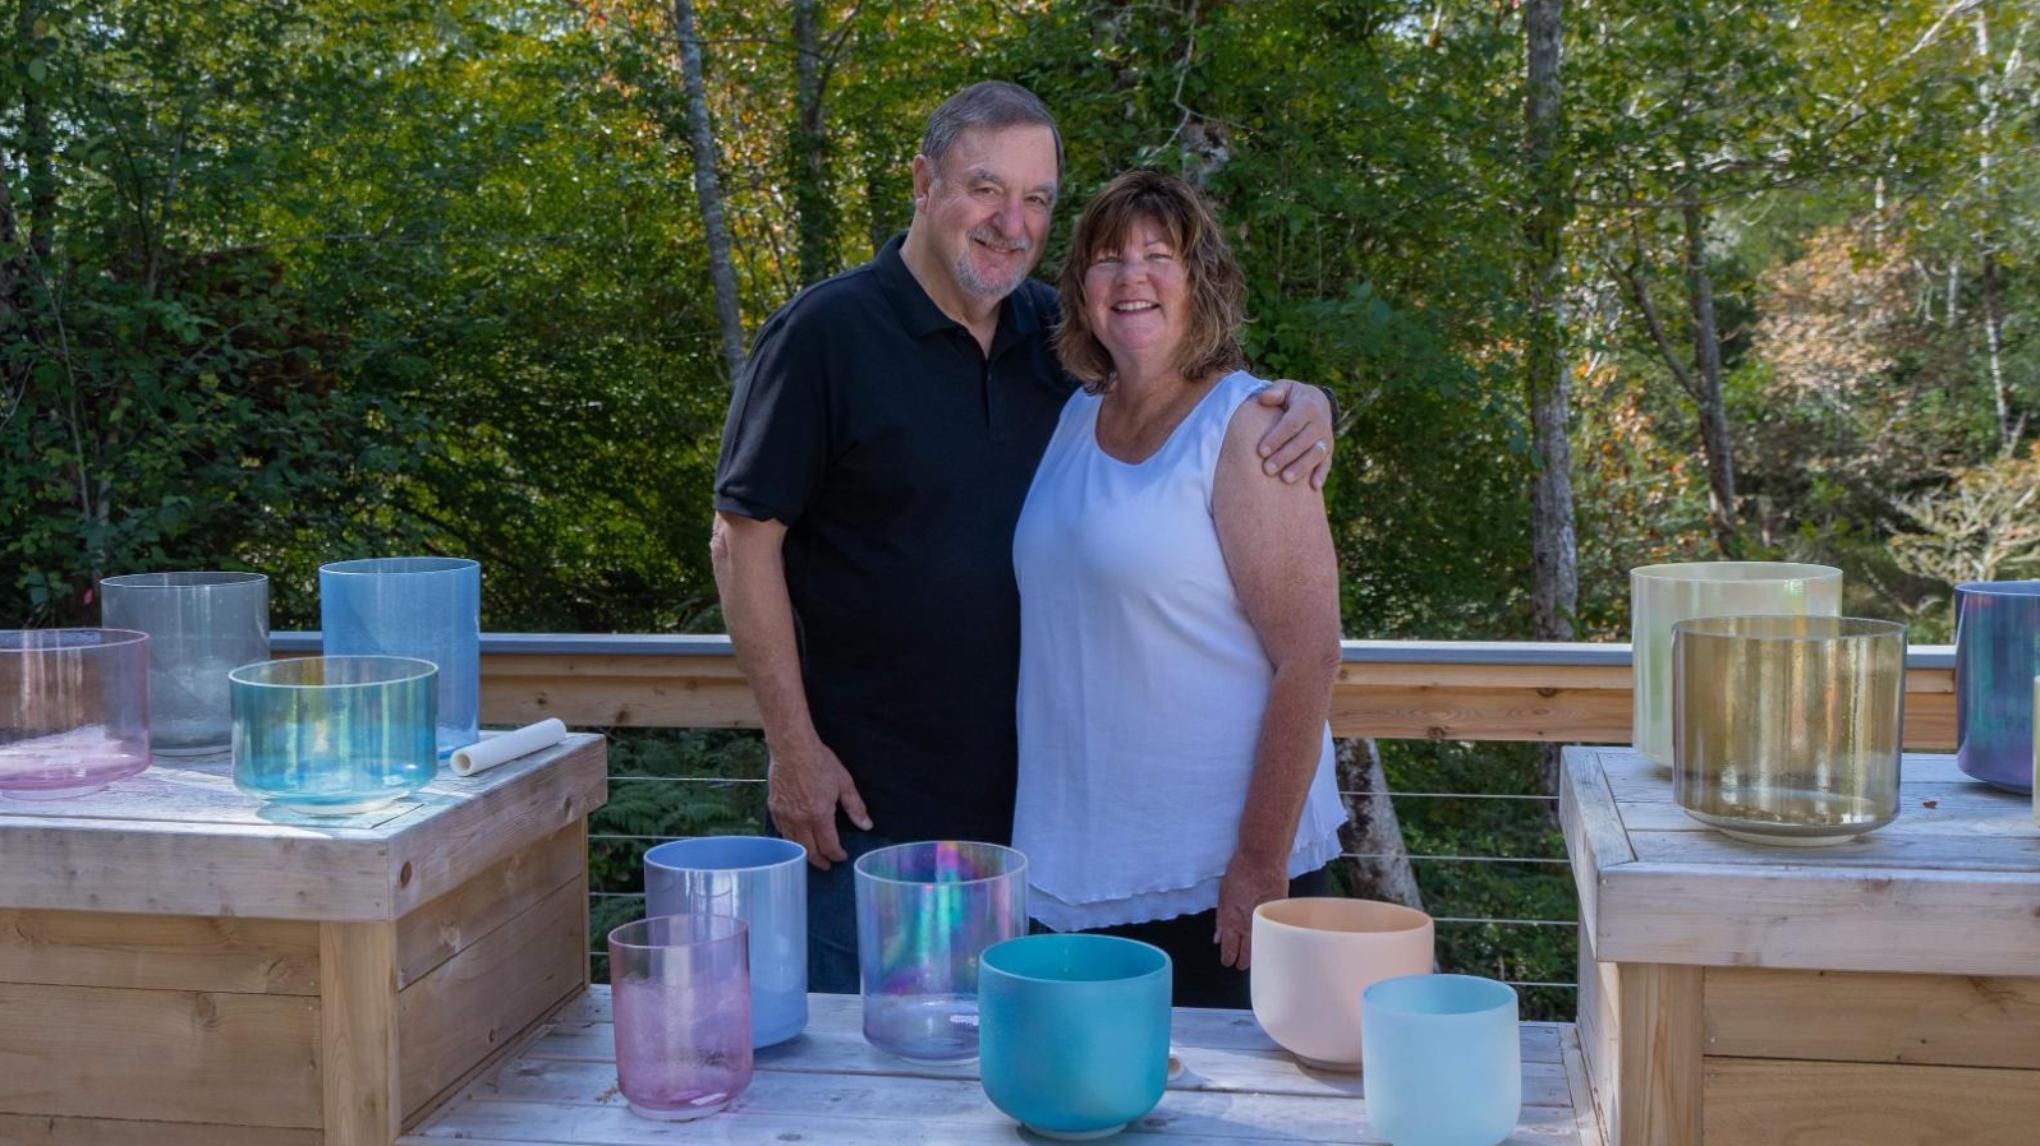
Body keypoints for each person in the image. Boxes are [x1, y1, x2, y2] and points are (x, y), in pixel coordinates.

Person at [711, 82, 1335, 993]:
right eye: (985, 187)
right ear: (924, 183)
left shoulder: (1056, 339)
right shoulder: (825, 336)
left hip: (1035, 824)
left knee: (1018, 1082)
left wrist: (1303, 404)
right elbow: (742, 541)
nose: (1012, 221)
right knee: (868, 1079)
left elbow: (1183, 388)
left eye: (1037, 198)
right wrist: (794, 747)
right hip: (870, 806)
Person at [1011, 169, 1347, 1008]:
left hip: (1217, 884)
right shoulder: (1073, 418)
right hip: (1074, 872)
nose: (1132, 279)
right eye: (1107, 259)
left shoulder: (1251, 426)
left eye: (1159, 256)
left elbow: (1311, 655)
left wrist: (1259, 860)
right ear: (1081, 288)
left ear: (1201, 285)